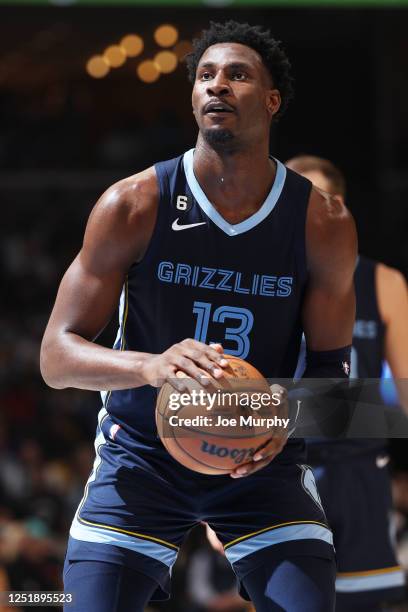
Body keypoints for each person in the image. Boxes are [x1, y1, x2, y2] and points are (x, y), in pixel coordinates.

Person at [41, 22, 357, 611]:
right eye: (206, 76)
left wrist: (286, 416)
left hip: (261, 467)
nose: (217, 86)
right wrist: (151, 366)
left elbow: (336, 390)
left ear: (271, 101)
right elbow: (56, 358)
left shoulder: (322, 223)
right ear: (192, 98)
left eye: (237, 75)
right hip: (140, 459)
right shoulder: (133, 204)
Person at [286, 154, 408, 611]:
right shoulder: (262, 280)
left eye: (322, 201)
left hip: (359, 474)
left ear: (342, 208)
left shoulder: (382, 280)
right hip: (282, 470)